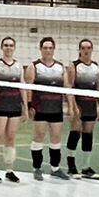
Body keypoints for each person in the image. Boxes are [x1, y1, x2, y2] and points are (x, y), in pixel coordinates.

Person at [26, 37, 67, 179]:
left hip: (56, 108)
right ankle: (36, 168)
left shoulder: (60, 67)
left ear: (54, 49)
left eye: (50, 48)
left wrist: (71, 106)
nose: (48, 50)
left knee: (56, 138)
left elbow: (66, 88)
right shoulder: (34, 66)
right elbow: (28, 88)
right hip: (40, 108)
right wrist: (29, 106)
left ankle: (55, 168)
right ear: (41, 49)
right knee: (39, 137)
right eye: (45, 48)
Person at [0, 36, 24, 183]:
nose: (8, 47)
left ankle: (9, 170)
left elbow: (22, 86)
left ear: (14, 48)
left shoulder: (19, 66)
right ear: (2, 47)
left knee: (11, 137)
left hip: (15, 106)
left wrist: (26, 107)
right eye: (6, 45)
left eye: (11, 45)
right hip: (0, 106)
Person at [69, 38, 99, 179]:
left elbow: (98, 87)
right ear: (79, 50)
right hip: (79, 104)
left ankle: (86, 167)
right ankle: (71, 166)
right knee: (75, 133)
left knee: (88, 135)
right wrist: (73, 107)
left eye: (88, 48)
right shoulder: (74, 65)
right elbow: (70, 87)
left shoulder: (95, 66)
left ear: (92, 49)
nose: (86, 50)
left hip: (91, 104)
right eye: (83, 48)